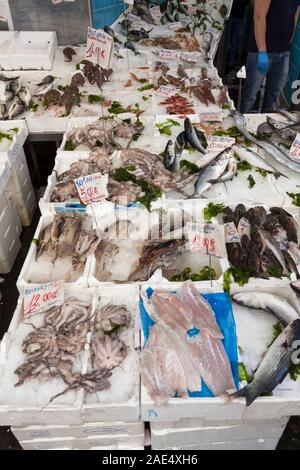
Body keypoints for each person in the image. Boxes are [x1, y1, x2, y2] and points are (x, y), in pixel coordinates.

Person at [241, 0, 300, 113]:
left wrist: (289, 42)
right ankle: (242, 124)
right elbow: (258, 16)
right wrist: (262, 51)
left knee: (272, 99)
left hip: (283, 52)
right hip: (261, 51)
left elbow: (295, 14)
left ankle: (265, 129)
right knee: (250, 96)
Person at [227, 0, 250, 70]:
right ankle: (230, 62)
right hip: (237, 16)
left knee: (232, 41)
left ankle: (230, 62)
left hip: (232, 14)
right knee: (234, 41)